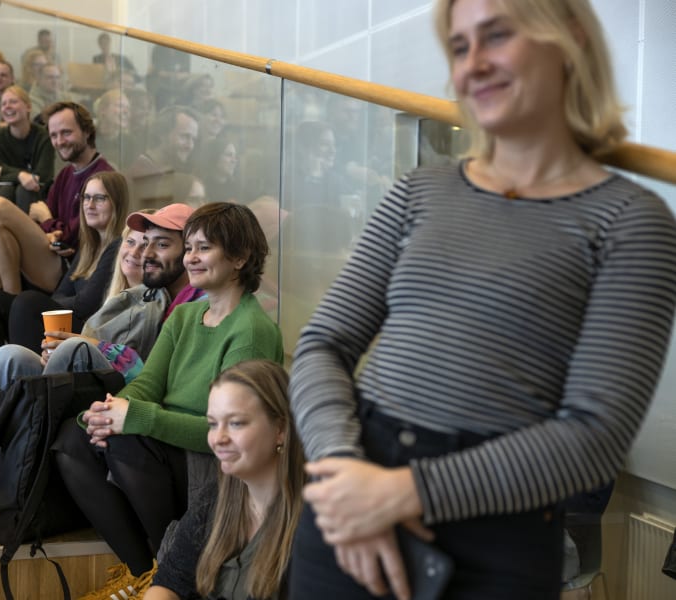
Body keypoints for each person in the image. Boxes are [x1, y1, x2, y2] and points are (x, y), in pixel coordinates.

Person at [287, 1, 676, 599]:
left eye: (496, 37)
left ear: (569, 39)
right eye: (461, 47)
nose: (474, 65)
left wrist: (398, 495)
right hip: (352, 489)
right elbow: (322, 345)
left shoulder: (630, 220)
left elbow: (596, 438)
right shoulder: (420, 191)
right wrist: (343, 472)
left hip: (495, 529)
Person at [0, 203, 202, 524]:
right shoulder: (143, 295)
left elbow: (150, 377)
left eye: (160, 244)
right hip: (98, 389)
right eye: (138, 241)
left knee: (67, 344)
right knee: (12, 356)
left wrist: (84, 345)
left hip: (129, 408)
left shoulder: (192, 303)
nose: (146, 251)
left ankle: (5, 472)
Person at [53, 202, 284, 591]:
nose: (191, 258)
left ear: (241, 257)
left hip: (213, 462)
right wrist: (109, 412)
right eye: (189, 247)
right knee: (70, 440)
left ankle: (175, 570)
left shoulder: (251, 329)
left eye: (204, 248)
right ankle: (145, 571)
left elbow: (232, 435)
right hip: (166, 449)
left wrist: (137, 419)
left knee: (127, 443)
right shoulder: (184, 317)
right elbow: (148, 385)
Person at [146, 359, 303, 600]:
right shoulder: (217, 497)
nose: (218, 438)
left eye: (236, 423)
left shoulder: (317, 522)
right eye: (212, 424)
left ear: (280, 430)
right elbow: (169, 583)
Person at [0, 170, 126, 361]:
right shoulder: (88, 247)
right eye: (86, 197)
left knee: (27, 303)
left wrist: (43, 305)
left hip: (89, 334)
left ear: (116, 203)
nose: (90, 205)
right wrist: (48, 304)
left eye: (99, 198)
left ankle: (26, 383)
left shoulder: (119, 246)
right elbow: (60, 295)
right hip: (70, 322)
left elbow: (86, 305)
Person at [0, 101, 112, 293]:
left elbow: (72, 238)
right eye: (54, 135)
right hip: (50, 252)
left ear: (87, 131)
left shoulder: (103, 177)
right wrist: (49, 229)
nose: (59, 141)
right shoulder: (66, 174)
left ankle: (10, 301)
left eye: (66, 133)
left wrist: (47, 221)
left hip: (70, 269)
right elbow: (43, 218)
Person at [0, 85, 53, 213]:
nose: (7, 106)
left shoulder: (44, 136)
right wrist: (21, 175)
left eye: (13, 102)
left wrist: (3, 170)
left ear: (28, 107)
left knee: (25, 190)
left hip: (36, 194)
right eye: (4, 104)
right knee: (5, 190)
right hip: (5, 192)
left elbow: (43, 175)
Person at [128, 105, 199, 207]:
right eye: (184, 136)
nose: (190, 146)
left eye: (193, 139)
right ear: (162, 134)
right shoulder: (141, 174)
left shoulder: (168, 172)